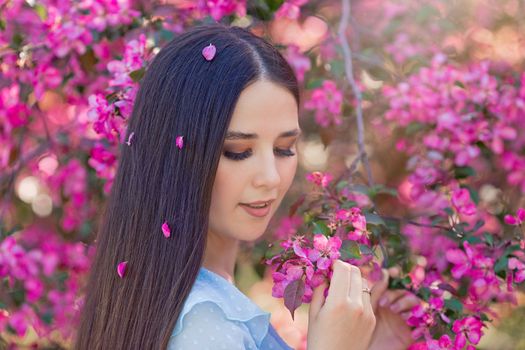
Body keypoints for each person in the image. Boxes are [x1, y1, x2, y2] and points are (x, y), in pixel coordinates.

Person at [74, 23, 419, 350]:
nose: (270, 176)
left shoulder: (192, 299)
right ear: (176, 153)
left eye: (284, 148)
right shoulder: (206, 321)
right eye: (238, 152)